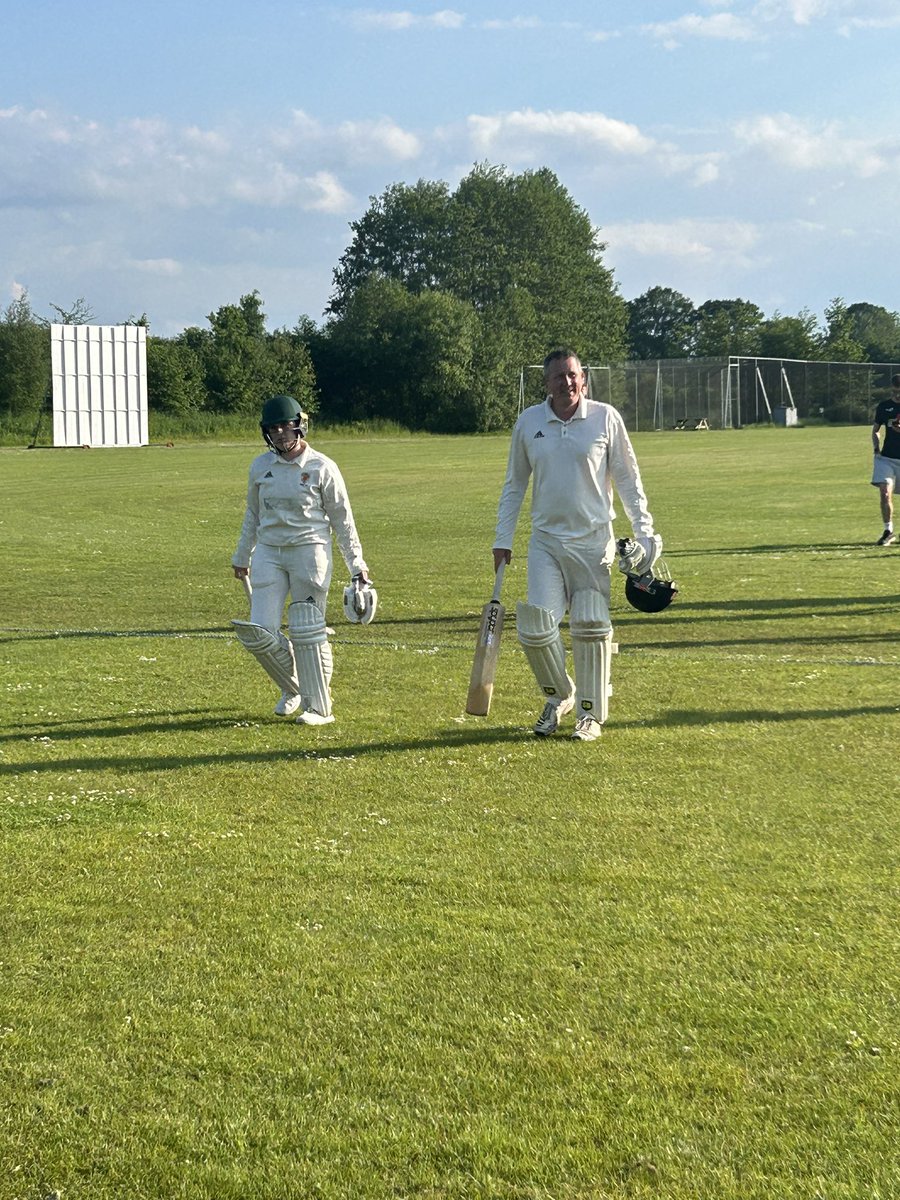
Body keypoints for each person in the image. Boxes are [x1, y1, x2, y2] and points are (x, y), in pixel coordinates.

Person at [492, 349, 663, 743]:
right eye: (558, 377)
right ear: (546, 382)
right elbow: (514, 483)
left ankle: (590, 714)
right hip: (546, 542)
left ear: (583, 378)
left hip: (593, 543)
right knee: (536, 628)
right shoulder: (529, 422)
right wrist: (502, 539)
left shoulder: (605, 417)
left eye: (572, 376)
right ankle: (559, 697)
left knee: (589, 624)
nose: (567, 383)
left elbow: (627, 479)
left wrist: (644, 532)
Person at [231, 394, 373, 725]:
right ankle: (293, 689)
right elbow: (253, 514)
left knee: (306, 631)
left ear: (299, 426)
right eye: (273, 428)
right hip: (269, 552)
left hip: (310, 552)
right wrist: (242, 555)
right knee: (261, 632)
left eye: (286, 426)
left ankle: (319, 707)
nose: (280, 433)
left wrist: (358, 566)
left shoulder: (322, 466)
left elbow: (343, 521)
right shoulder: (260, 466)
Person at [871, 374, 900, 546]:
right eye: (896, 389)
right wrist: (876, 448)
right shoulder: (884, 407)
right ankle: (888, 531)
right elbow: (875, 429)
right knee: (885, 492)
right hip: (886, 458)